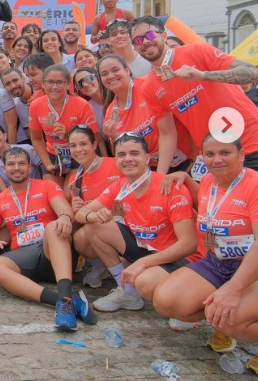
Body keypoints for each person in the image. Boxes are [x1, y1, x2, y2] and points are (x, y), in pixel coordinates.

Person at [150, 134, 258, 362]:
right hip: (218, 262)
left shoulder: (254, 185)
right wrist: (187, 180)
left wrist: (234, 290)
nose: (217, 159)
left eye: (225, 153)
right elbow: (210, 206)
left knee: (229, 318)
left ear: (241, 155)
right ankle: (226, 319)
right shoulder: (209, 180)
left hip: (252, 269)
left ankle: (235, 321)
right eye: (210, 154)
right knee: (165, 300)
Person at [74, 133, 203, 313]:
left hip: (180, 258)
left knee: (146, 283)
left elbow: (189, 245)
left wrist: (143, 264)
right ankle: (127, 292)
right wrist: (93, 216)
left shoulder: (168, 187)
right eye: (121, 155)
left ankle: (183, 297)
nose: (128, 159)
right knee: (94, 227)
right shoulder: (120, 186)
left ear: (147, 158)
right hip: (149, 249)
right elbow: (80, 213)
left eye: (134, 153)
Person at [0, 147, 95, 331]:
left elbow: (64, 210)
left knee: (53, 226)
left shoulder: (46, 186)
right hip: (24, 256)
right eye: (11, 164)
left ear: (30, 167)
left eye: (21, 164)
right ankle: (64, 301)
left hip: (53, 250)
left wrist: (66, 217)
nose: (16, 168)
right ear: (4, 169)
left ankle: (65, 297)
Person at [134, 15, 258, 171]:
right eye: (138, 41)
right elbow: (167, 134)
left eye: (150, 35)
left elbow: (252, 73)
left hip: (250, 142)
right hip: (214, 157)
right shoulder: (149, 87)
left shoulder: (196, 50)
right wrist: (160, 177)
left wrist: (203, 75)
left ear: (163, 35)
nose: (145, 42)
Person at [97, 54, 190, 174]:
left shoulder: (148, 85)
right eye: (104, 74)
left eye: (115, 70)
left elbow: (187, 116)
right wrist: (115, 137)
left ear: (127, 70)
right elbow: (125, 153)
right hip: (152, 169)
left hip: (187, 160)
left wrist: (195, 159)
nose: (110, 76)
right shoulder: (110, 112)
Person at [62, 125, 122, 288]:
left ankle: (123, 263)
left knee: (91, 229)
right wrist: (76, 208)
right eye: (73, 146)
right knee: (80, 237)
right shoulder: (75, 179)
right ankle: (103, 265)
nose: (78, 149)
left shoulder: (116, 164)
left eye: (83, 144)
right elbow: (82, 217)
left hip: (127, 222)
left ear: (94, 145)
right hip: (100, 226)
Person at [28, 64, 99, 186]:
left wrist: (68, 137)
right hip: (52, 155)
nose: (55, 87)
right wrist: (48, 164)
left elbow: (94, 140)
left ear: (67, 84)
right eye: (50, 82)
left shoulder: (82, 105)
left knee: (68, 193)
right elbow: (36, 138)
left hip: (78, 155)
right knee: (53, 193)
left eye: (60, 82)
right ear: (43, 84)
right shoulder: (36, 105)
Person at [0, 123, 41, 190]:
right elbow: (3, 189)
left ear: (5, 136)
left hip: (37, 190)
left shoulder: (27, 149)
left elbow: (44, 169)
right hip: (13, 196)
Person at [72, 67, 109, 154]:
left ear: (98, 77)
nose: (85, 84)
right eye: (80, 83)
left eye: (88, 78)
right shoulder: (87, 107)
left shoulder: (115, 95)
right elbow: (100, 141)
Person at [0, 68, 35, 144]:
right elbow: (30, 134)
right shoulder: (17, 106)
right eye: (8, 84)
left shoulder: (38, 90)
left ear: (23, 78)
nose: (13, 86)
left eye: (15, 80)